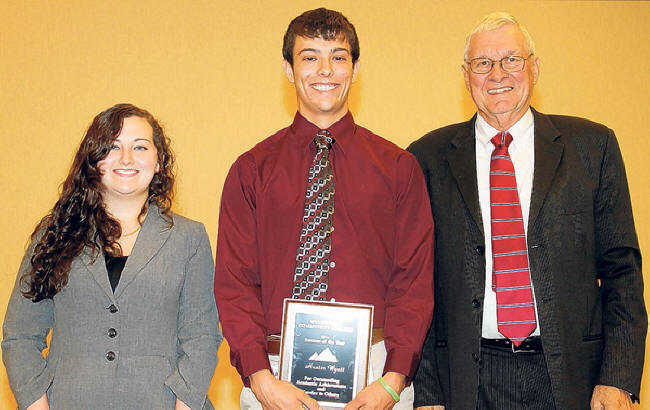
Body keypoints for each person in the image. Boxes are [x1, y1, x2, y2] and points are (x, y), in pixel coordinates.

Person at [408, 11, 647, 410]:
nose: (497, 73)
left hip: (572, 378)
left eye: (511, 60)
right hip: (468, 380)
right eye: (483, 63)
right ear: (466, 76)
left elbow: (623, 272)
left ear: (534, 68)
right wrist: (427, 393)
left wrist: (618, 378)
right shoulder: (425, 158)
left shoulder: (593, 147)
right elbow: (417, 287)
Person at [213, 8, 434, 410]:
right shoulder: (251, 170)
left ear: (356, 67)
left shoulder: (399, 167)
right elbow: (234, 282)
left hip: (377, 376)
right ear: (288, 68)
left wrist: (392, 381)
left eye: (338, 56)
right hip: (274, 375)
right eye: (310, 57)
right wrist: (260, 380)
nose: (325, 70)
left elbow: (413, 281)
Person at [2, 104, 222, 410]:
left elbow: (202, 337)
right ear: (94, 161)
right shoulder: (53, 235)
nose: (127, 158)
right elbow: (20, 336)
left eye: (140, 147)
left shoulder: (189, 239)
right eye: (113, 147)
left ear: (158, 161)